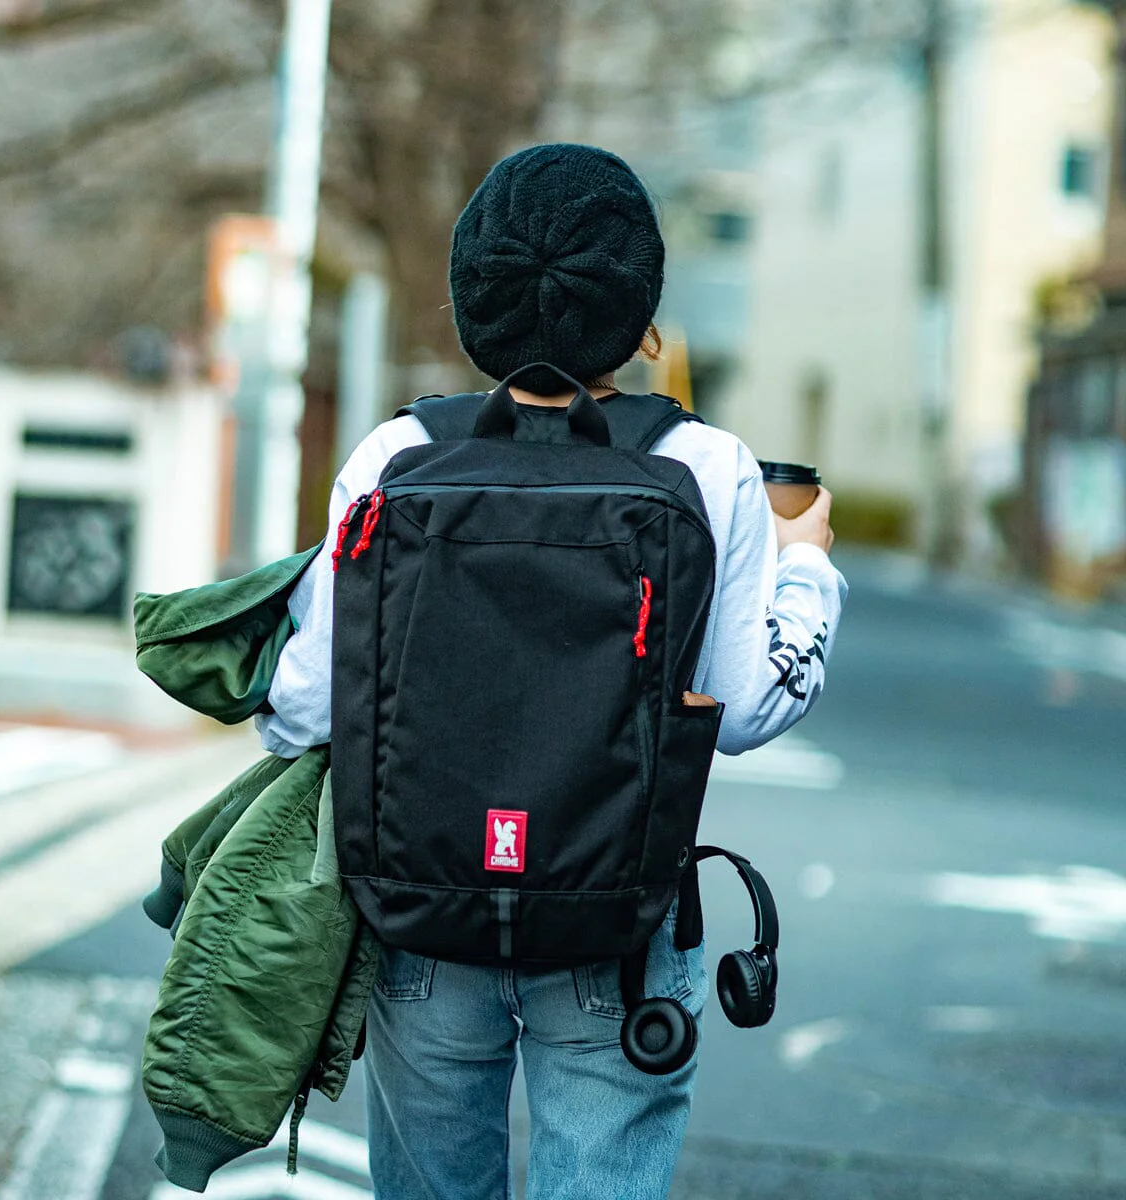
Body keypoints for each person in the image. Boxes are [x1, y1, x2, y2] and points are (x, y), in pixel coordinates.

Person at [255, 143, 847, 1200]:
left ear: (473, 299)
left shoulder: (396, 457)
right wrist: (808, 572)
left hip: (421, 917)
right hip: (614, 920)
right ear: (638, 312)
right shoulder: (704, 468)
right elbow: (749, 705)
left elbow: (303, 705)